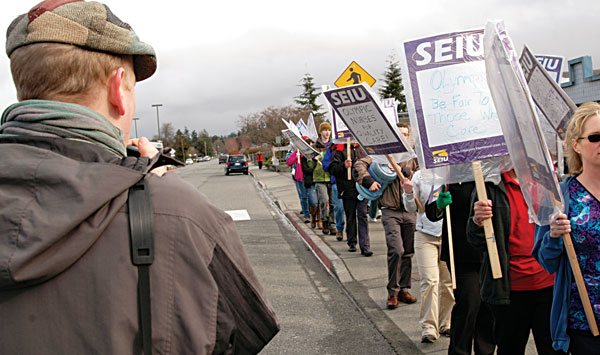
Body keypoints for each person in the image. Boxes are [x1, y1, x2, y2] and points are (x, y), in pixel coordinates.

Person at [0, 1, 279, 354]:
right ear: (119, 89)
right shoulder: (183, 215)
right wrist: (155, 193)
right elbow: (246, 332)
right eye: (133, 88)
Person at [468, 169, 560, 355]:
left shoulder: (546, 181)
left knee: (553, 349)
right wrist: (477, 221)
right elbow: (475, 241)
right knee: (510, 348)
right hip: (509, 290)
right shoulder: (489, 187)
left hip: (549, 285)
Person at [533, 102, 600, 354]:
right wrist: (554, 236)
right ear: (576, 145)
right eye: (595, 137)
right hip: (585, 324)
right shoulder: (561, 197)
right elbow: (546, 261)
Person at [426, 183, 496, 355]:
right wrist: (439, 205)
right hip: (463, 253)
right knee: (469, 303)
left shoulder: (494, 177)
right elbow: (431, 211)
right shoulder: (449, 177)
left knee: (489, 309)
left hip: (492, 253)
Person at [355, 156, 417, 308]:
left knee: (408, 252)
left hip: (410, 210)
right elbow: (360, 164)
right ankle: (392, 292)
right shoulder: (383, 154)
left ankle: (404, 289)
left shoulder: (412, 157)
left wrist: (411, 174)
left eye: (405, 133)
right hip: (390, 210)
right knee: (396, 250)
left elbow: (424, 175)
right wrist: (368, 180)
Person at [403, 170, 454, 343]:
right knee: (430, 281)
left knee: (448, 283)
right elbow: (411, 208)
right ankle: (429, 326)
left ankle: (445, 322)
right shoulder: (419, 176)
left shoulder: (454, 173)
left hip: (449, 235)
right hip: (425, 234)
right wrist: (408, 193)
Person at [329, 141, 371, 255]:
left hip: (362, 188)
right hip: (347, 189)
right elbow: (332, 169)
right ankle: (352, 241)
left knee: (362, 215)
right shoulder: (339, 150)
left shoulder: (363, 149)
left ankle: (365, 246)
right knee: (350, 216)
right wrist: (344, 165)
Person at [286, 148, 310, 223]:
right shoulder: (297, 152)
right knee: (304, 196)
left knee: (311, 198)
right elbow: (289, 162)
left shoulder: (310, 151)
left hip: (310, 177)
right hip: (300, 177)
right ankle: (306, 214)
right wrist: (297, 157)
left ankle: (313, 213)